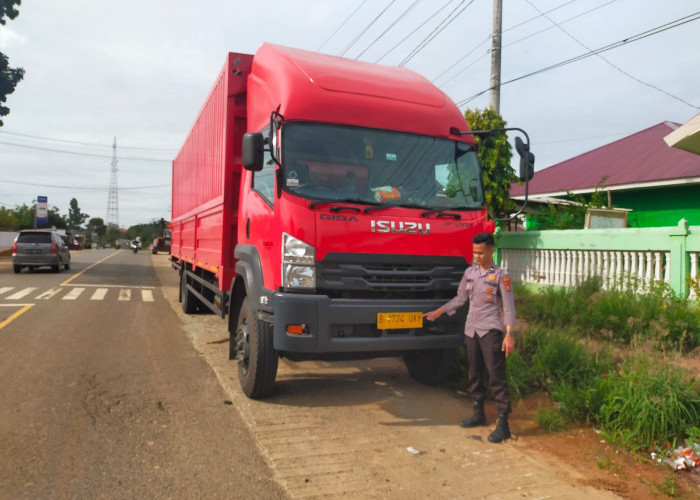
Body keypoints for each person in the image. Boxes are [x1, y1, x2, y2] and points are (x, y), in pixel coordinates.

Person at [424, 232, 516, 443]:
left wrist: (509, 334)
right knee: (474, 374)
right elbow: (459, 299)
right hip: (471, 330)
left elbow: (509, 307)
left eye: (481, 252)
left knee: (496, 376)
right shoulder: (469, 273)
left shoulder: (502, 275)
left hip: (491, 331)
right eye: (474, 252)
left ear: (491, 250)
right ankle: (478, 413)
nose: (477, 256)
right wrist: (439, 312)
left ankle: (503, 423)